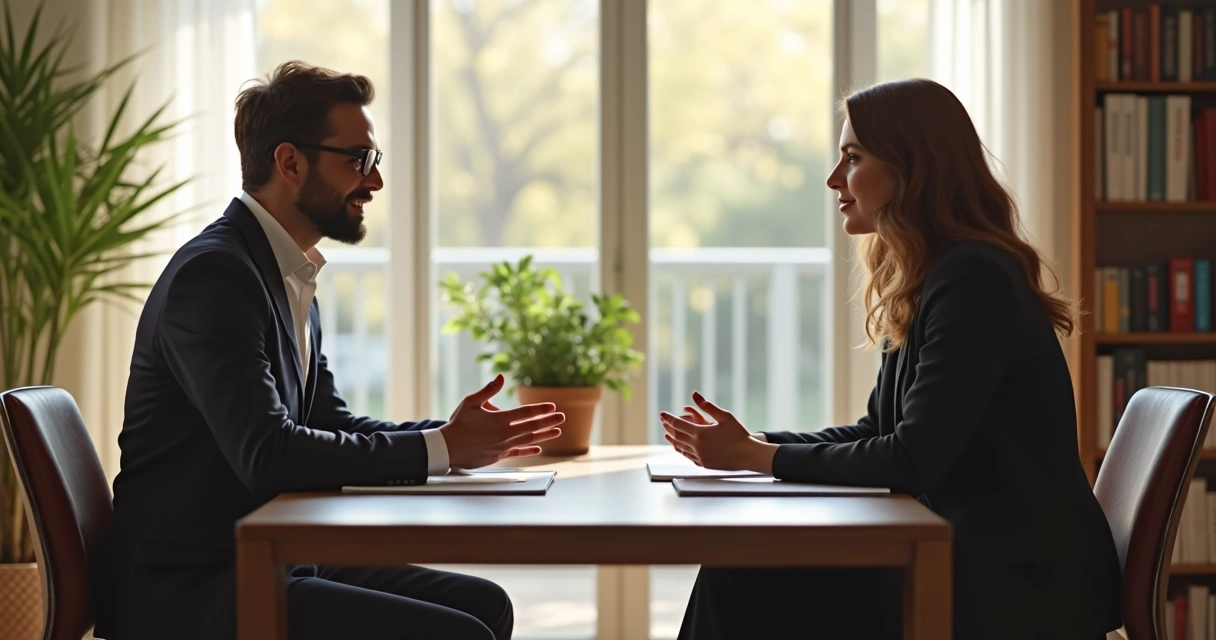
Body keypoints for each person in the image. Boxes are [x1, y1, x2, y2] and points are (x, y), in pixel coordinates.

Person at [94, 60, 565, 640]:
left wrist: (455, 440)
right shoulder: (215, 275)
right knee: (458, 632)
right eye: (358, 160)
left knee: (485, 605)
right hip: (191, 588)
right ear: (290, 162)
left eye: (375, 161)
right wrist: (439, 447)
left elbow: (328, 424)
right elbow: (269, 453)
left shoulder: (286, 270)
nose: (375, 181)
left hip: (266, 555)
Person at [660, 78, 1123, 640]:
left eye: (852, 158)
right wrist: (752, 445)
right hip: (976, 554)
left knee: (740, 577)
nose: (834, 179)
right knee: (739, 570)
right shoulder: (932, 274)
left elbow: (910, 459)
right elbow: (878, 430)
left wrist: (759, 457)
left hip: (1014, 581)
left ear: (913, 167)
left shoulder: (973, 278)